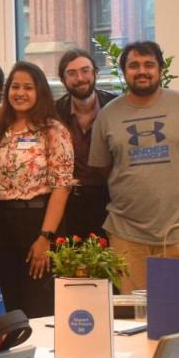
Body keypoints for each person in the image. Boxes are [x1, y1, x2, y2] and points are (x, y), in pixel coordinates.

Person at [87, 41, 179, 294]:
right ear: (124, 72)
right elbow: (103, 168)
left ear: (160, 69)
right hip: (127, 231)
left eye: (149, 65)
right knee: (135, 316)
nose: (141, 71)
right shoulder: (108, 115)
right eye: (134, 65)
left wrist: (178, 183)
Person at [0, 63, 73, 318]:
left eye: (28, 87)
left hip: (38, 222)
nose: (20, 93)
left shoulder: (53, 130)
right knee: (13, 307)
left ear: (40, 92)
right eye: (15, 86)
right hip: (3, 224)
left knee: (40, 305)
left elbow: (62, 186)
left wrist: (45, 237)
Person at [54, 49, 118, 240]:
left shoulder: (116, 107)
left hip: (109, 199)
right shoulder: (54, 112)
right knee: (70, 265)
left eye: (85, 71)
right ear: (63, 79)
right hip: (68, 202)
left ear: (95, 73)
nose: (80, 78)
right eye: (71, 73)